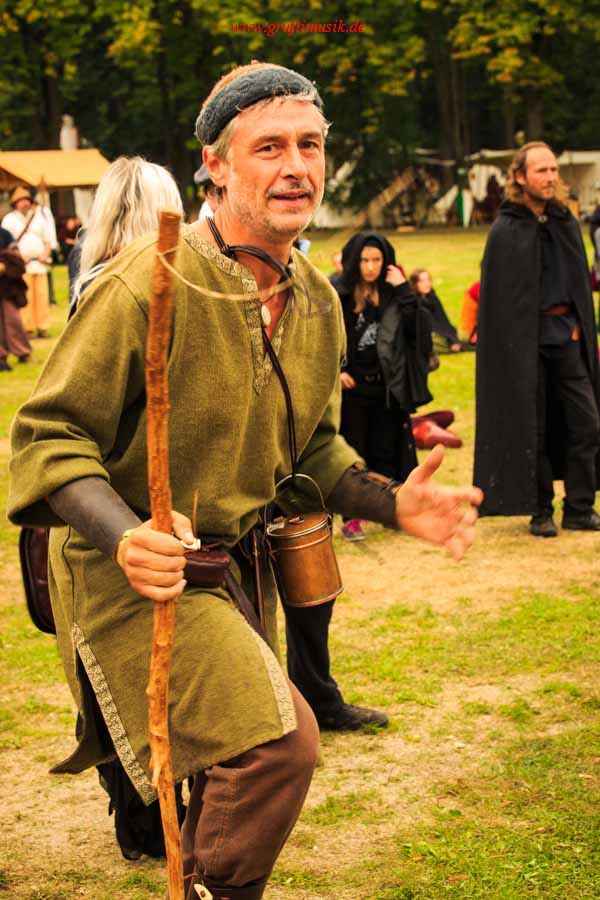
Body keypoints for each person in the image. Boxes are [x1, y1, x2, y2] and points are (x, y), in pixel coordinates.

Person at [9, 63, 481, 900]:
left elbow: (313, 451)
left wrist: (393, 502)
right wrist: (127, 537)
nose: (296, 166)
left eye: (310, 146)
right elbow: (47, 437)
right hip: (130, 575)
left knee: (237, 756)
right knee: (278, 742)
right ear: (215, 165)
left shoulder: (317, 302)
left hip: (230, 570)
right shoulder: (146, 282)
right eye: (269, 147)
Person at [474, 141, 600, 536]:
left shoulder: (565, 221)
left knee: (587, 422)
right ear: (519, 176)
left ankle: (579, 507)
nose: (550, 177)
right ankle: (541, 509)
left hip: (566, 338)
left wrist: (578, 324)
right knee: (534, 426)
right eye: (541, 170)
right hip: (523, 345)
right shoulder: (506, 229)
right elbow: (499, 300)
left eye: (553, 170)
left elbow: (579, 283)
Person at [332, 231, 433, 542]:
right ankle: (352, 518)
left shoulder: (393, 295)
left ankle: (393, 510)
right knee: (354, 454)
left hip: (387, 387)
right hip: (353, 390)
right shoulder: (339, 294)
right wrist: (337, 371)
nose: (370, 267)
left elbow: (419, 331)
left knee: (388, 449)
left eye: (376, 260)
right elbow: (323, 336)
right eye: (364, 260)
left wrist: (403, 289)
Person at [1, 186, 54, 337]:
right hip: (21, 265)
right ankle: (28, 328)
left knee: (42, 296)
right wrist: (18, 257)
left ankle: (43, 327)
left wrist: (45, 254)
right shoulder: (9, 219)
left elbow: (48, 239)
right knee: (27, 296)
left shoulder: (40, 217)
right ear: (15, 203)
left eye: (26, 200)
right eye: (21, 201)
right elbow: (7, 244)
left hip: (40, 263)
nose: (24, 203)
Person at [0, 227, 31, 371]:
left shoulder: (4, 233)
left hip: (7, 285)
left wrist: (6, 265)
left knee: (13, 320)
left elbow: (16, 255)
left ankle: (22, 352)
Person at [409, 268, 461, 352]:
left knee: (462, 336)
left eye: (428, 280)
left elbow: (443, 320)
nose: (427, 284)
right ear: (415, 284)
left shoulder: (432, 296)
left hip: (438, 334)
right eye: (422, 281)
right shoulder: (412, 301)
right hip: (423, 336)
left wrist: (454, 340)